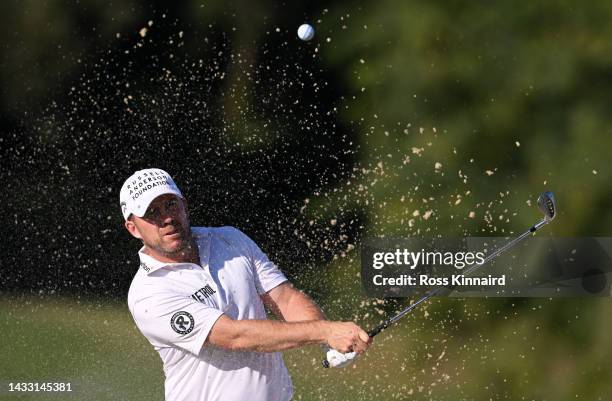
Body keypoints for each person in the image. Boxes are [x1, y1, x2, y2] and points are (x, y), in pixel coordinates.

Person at [120, 168, 372, 401]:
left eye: (171, 205)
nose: (167, 218)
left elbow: (284, 298)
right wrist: (325, 332)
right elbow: (234, 336)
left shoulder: (230, 240)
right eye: (152, 213)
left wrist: (328, 335)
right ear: (133, 228)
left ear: (184, 206)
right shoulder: (147, 294)